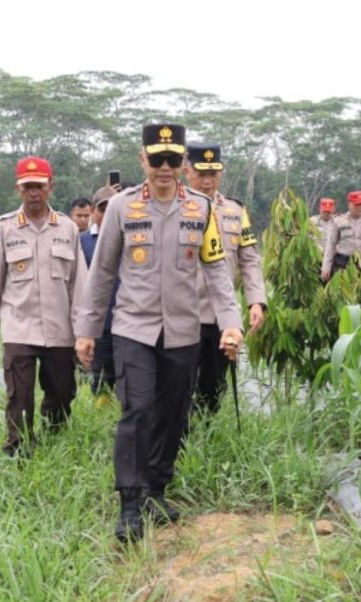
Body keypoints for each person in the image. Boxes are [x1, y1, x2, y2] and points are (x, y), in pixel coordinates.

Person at [74, 123, 242, 543]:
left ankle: (157, 491)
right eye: (157, 159)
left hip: (183, 330)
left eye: (173, 160)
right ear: (143, 160)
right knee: (138, 409)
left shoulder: (201, 209)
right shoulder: (121, 208)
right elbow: (103, 272)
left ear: (183, 162)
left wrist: (230, 324)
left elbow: (217, 271)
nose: (165, 167)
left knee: (173, 415)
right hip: (134, 327)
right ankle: (130, 501)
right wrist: (88, 330)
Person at [0, 157, 85, 456]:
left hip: (60, 329)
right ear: (18, 189)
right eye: (27, 187)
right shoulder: (4, 228)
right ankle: (18, 452)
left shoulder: (68, 228)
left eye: (39, 186)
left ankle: (54, 442)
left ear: (50, 187)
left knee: (61, 393)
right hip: (19, 327)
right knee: (19, 397)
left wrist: (85, 333)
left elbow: (79, 285)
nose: (33, 193)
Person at [183, 143, 267, 415]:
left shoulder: (235, 211)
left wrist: (256, 302)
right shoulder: (176, 207)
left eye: (214, 173)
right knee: (179, 384)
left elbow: (250, 259)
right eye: (201, 173)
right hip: (182, 313)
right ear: (187, 171)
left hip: (221, 317)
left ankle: (206, 437)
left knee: (214, 385)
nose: (207, 181)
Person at [81, 185, 120, 399]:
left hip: (127, 323)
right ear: (94, 211)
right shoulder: (84, 241)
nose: (106, 214)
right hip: (99, 325)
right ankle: (103, 422)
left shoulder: (131, 239)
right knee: (102, 378)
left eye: (111, 209)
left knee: (130, 377)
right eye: (102, 209)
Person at [322, 190, 361, 281]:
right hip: (342, 263)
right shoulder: (338, 221)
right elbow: (331, 245)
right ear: (349, 204)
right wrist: (326, 266)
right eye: (356, 205)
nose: (359, 207)